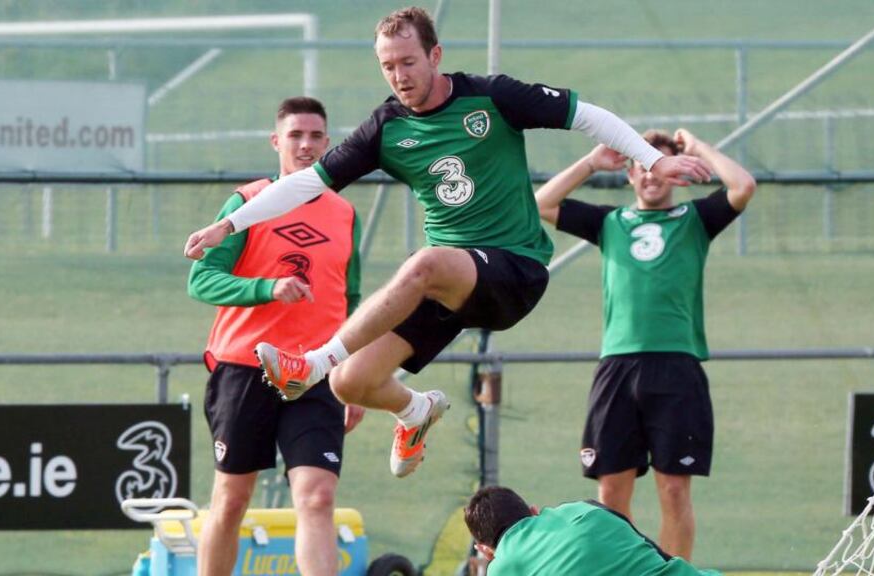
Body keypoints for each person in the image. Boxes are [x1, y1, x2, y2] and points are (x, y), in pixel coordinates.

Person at [183, 7, 712, 480]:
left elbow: (586, 115)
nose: (399, 76)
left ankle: (310, 364)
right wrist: (228, 226)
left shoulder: (491, 96)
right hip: (448, 285)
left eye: (408, 62)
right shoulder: (386, 127)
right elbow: (307, 184)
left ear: (434, 55)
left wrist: (652, 157)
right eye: (388, 66)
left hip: (514, 270)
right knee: (352, 382)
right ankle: (414, 412)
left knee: (423, 264)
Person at [534, 128, 755, 559]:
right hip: (617, 367)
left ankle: (675, 573)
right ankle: (621, 570)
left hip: (677, 367)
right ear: (629, 175)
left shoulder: (694, 221)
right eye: (642, 164)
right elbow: (541, 203)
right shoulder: (609, 223)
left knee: (673, 489)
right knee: (610, 494)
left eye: (660, 164)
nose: (650, 174)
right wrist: (590, 163)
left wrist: (697, 148)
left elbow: (743, 186)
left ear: (675, 174)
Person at [187, 96, 365, 576]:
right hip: (245, 370)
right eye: (295, 136)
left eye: (315, 137)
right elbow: (202, 279)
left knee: (317, 495)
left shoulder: (344, 214)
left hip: (315, 375)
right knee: (231, 498)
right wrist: (268, 288)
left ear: (328, 144)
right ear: (276, 141)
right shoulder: (246, 204)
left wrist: (354, 374)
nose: (306, 145)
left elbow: (350, 299)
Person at [463, 485, 721, 576]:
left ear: (486, 551)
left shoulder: (501, 567)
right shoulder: (581, 509)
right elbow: (655, 553)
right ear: (533, 511)